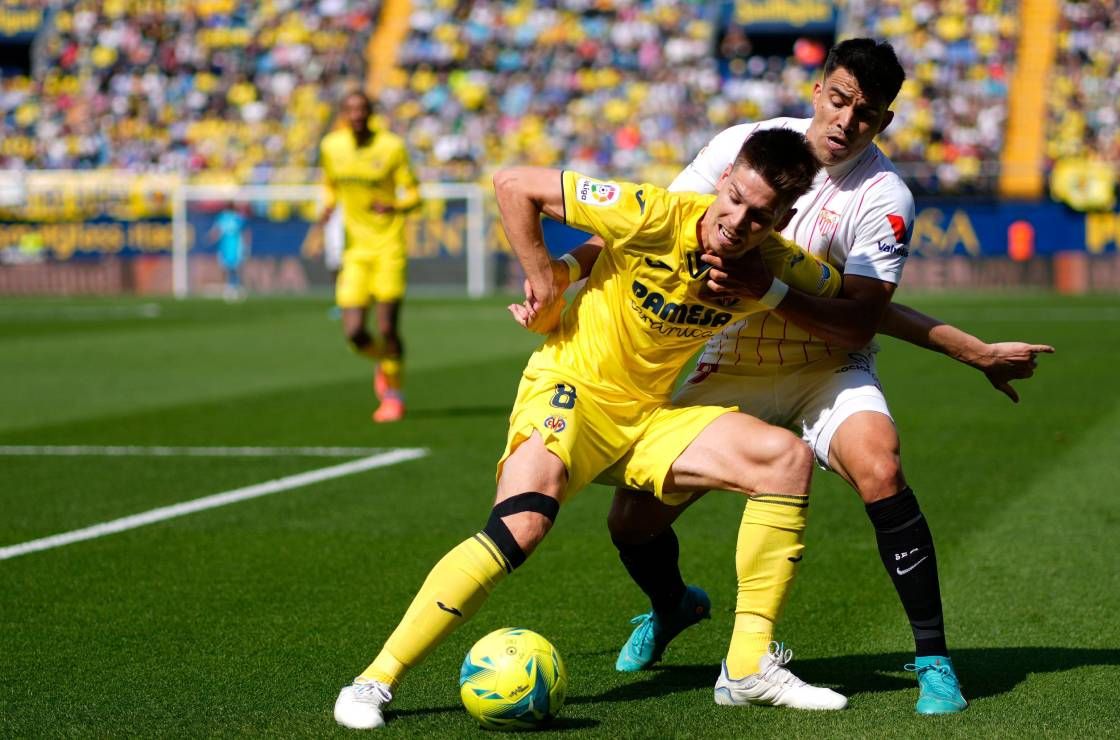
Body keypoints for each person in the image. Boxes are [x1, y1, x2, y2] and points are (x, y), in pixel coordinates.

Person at [549, 38, 1054, 715]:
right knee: (630, 523)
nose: (846, 121)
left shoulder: (884, 195)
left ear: (884, 122)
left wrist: (770, 292)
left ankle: (934, 658)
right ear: (818, 89)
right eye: (840, 99)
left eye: (867, 113)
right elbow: (650, 224)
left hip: (827, 368)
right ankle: (671, 608)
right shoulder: (745, 145)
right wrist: (565, 273)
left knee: (881, 465)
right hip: (731, 362)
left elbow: (861, 321)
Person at [334, 128, 852, 730]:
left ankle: (746, 670)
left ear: (783, 218)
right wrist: (547, 281)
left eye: (759, 216)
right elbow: (513, 185)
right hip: (571, 393)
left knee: (785, 459)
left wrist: (962, 347)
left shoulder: (775, 267)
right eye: (733, 197)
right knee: (521, 526)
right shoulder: (653, 212)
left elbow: (857, 303)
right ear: (727, 174)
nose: (736, 221)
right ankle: (373, 681)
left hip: (647, 418)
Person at [318, 90, 422, 423]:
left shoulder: (391, 147)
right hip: (356, 252)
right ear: (343, 113)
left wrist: (395, 205)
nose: (357, 115)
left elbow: (415, 194)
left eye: (363, 109)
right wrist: (327, 203)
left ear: (371, 112)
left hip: (389, 248)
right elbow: (329, 183)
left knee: (388, 327)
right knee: (353, 333)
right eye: (351, 109)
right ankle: (386, 362)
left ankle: (393, 394)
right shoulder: (331, 147)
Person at [207, 203, 250, 301]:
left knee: (230, 269)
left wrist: (210, 238)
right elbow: (246, 233)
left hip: (231, 247)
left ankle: (234, 288)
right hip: (231, 247)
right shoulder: (236, 218)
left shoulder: (227, 218)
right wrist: (247, 246)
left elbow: (216, 232)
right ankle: (233, 288)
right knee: (233, 269)